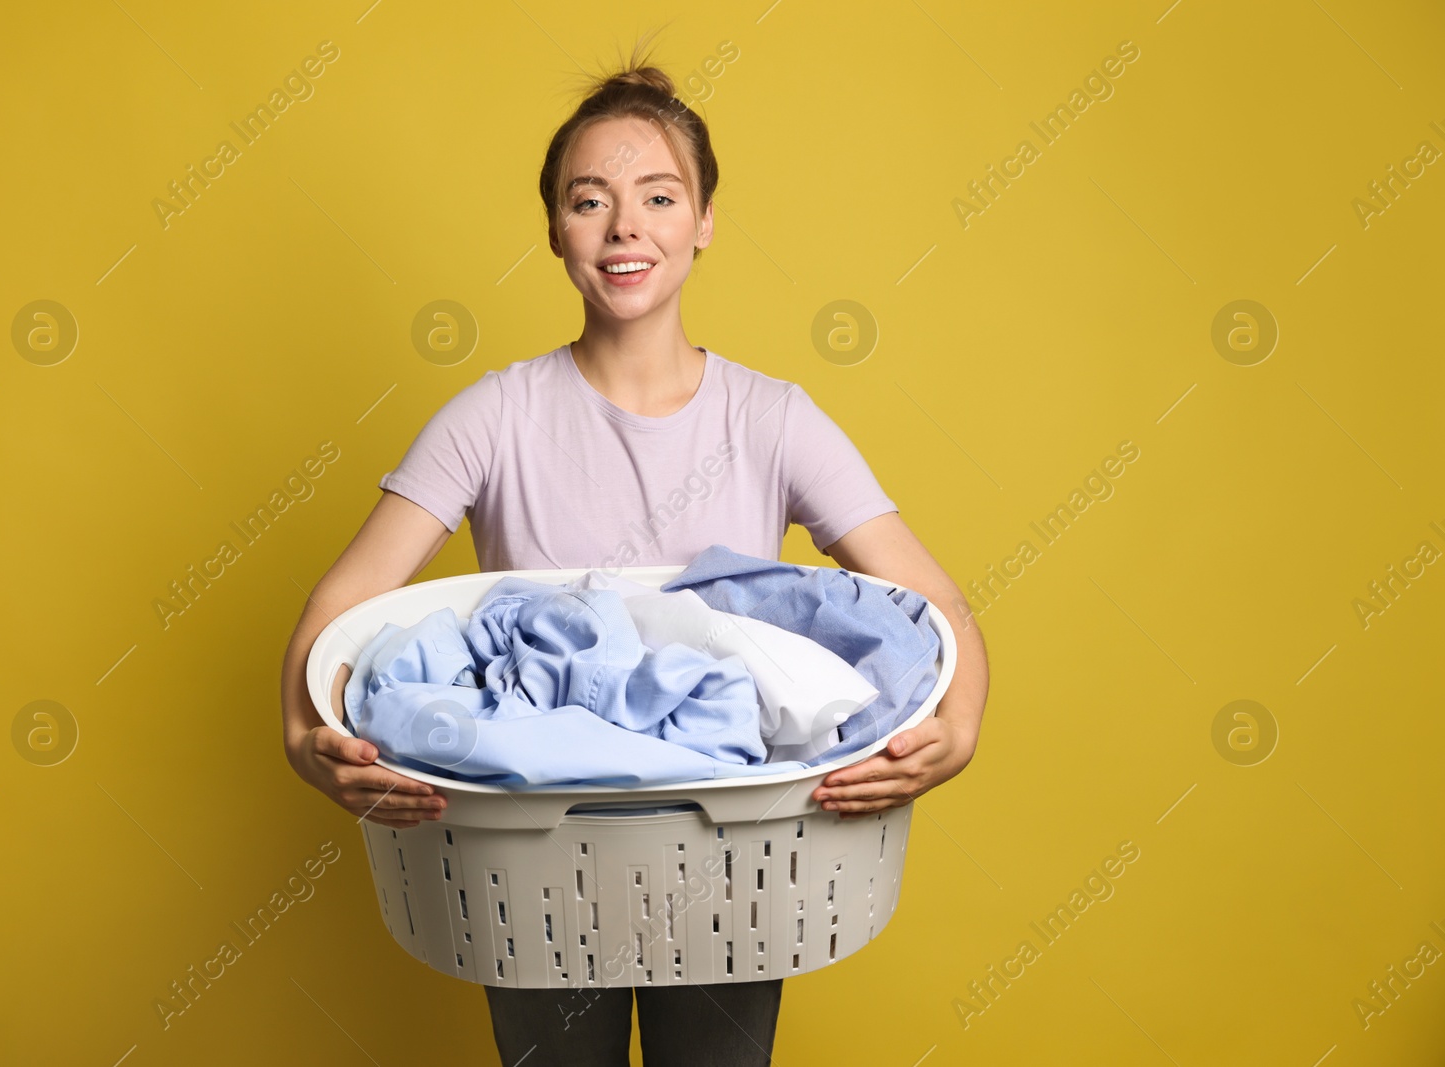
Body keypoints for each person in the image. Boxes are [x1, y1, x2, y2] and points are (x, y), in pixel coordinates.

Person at [279, 45, 990, 1067]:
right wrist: (309, 742)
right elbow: (343, 600)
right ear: (555, 230)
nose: (624, 228)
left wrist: (953, 728)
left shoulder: (772, 418)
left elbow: (932, 601)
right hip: (528, 857)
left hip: (737, 855)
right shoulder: (494, 416)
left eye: (659, 196)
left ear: (702, 223)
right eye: (589, 200)